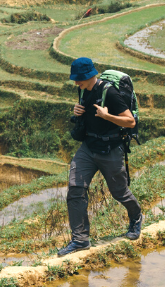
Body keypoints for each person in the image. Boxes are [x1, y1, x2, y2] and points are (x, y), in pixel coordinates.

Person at [57, 57, 144, 256]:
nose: (75, 82)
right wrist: (77, 111)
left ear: (89, 76)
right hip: (88, 147)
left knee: (119, 192)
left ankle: (136, 216)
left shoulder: (110, 93)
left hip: (110, 149)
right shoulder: (82, 90)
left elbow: (130, 121)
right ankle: (80, 240)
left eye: (78, 78)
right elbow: (86, 115)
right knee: (75, 189)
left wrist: (107, 116)